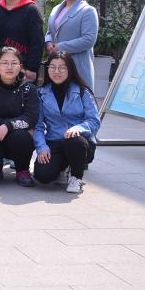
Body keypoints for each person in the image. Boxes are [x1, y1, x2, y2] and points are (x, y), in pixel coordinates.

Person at [33, 51, 100, 194]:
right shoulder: (41, 93)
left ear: (70, 69)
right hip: (55, 140)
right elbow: (38, 125)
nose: (57, 71)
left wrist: (79, 128)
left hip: (80, 143)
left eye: (62, 67)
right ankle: (63, 167)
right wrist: (41, 147)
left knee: (73, 141)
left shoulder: (82, 92)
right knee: (42, 175)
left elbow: (94, 120)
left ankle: (76, 177)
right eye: (52, 67)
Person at [0, 46, 39, 187]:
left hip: (16, 135)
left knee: (22, 137)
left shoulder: (28, 88)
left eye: (14, 63)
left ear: (20, 67)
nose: (9, 67)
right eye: (4, 63)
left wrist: (8, 126)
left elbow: (31, 117)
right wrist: (2, 126)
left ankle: (22, 170)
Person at [45, 0, 100, 94]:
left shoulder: (87, 11)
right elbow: (50, 31)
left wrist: (59, 47)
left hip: (77, 66)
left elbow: (88, 40)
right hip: (57, 66)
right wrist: (48, 42)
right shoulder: (56, 9)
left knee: (77, 99)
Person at [0, 0, 45, 82]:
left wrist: (32, 68)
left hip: (24, 69)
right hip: (1, 69)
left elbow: (37, 41)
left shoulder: (31, 10)